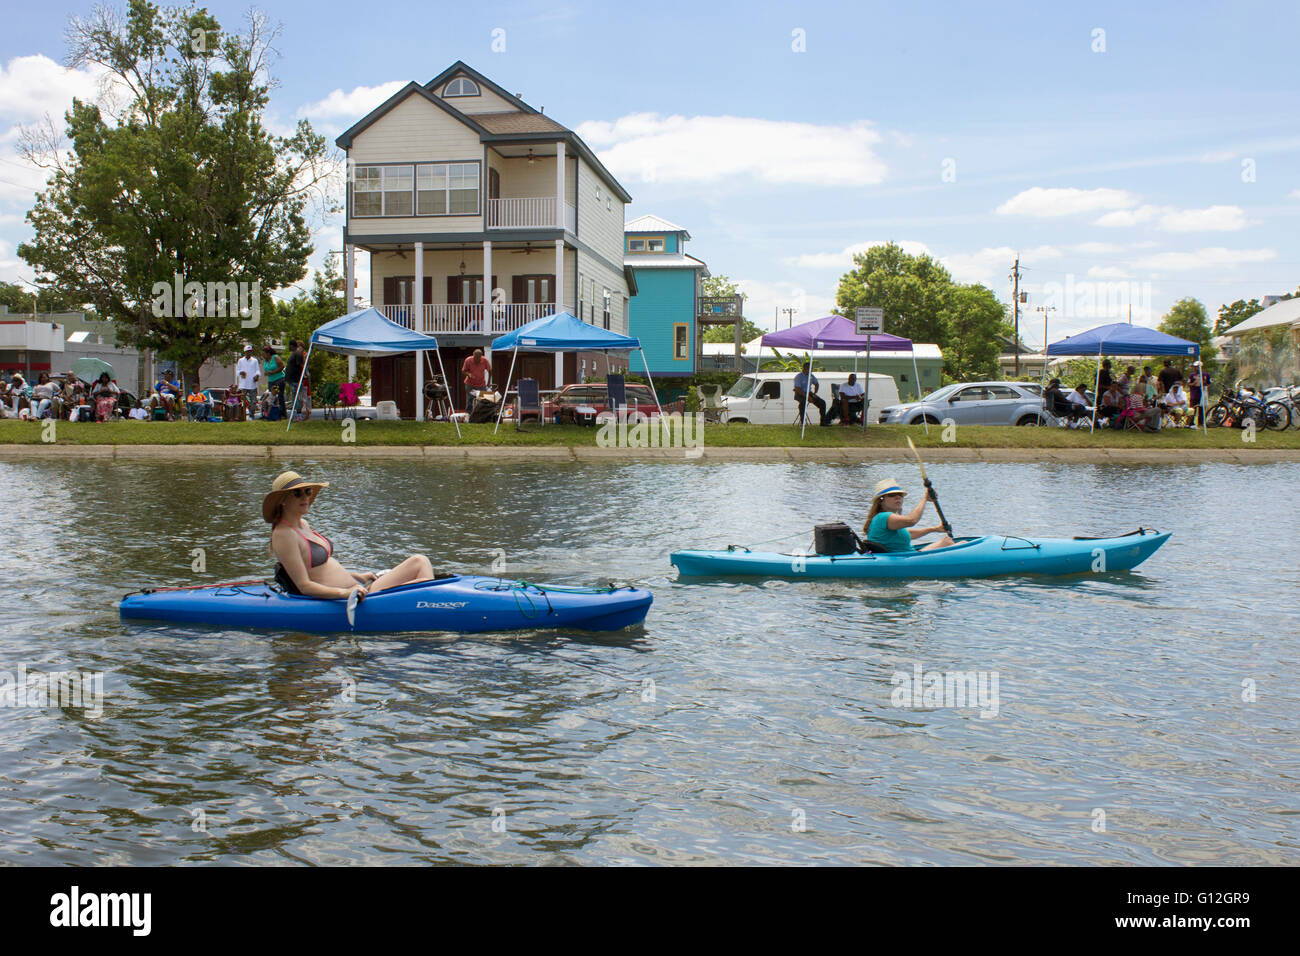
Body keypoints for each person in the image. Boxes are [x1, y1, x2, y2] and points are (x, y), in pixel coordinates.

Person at [263, 471, 435, 599]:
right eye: (297, 493)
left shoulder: (303, 525)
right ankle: (433, 605)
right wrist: (345, 593)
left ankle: (431, 603)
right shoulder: (284, 535)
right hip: (358, 598)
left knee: (420, 561)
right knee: (424, 581)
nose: (305, 497)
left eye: (308, 491)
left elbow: (320, 569)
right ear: (282, 500)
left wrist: (356, 576)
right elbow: (304, 585)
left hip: (360, 588)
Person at [863, 479, 955, 553]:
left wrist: (934, 529)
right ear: (881, 500)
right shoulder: (884, 517)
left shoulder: (882, 519)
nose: (898, 497)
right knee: (955, 542)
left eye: (900, 494)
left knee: (948, 541)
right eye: (892, 495)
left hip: (908, 556)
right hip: (906, 558)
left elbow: (907, 534)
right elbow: (912, 520)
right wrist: (925, 498)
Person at [235, 344, 261, 413]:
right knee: (242, 400)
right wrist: (241, 372)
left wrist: (257, 375)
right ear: (245, 352)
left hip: (252, 384)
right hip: (243, 384)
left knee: (253, 401)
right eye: (247, 351)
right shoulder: (240, 360)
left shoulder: (255, 360)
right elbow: (237, 371)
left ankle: (252, 414)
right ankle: (241, 414)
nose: (249, 353)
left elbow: (258, 370)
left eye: (250, 351)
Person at [262, 344, 287, 415]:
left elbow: (282, 366)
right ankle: (271, 413)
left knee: (279, 396)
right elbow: (267, 370)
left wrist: (272, 372)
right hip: (271, 381)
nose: (263, 356)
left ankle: (282, 413)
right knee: (271, 397)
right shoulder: (266, 361)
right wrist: (266, 373)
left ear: (268, 353)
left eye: (264, 354)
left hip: (279, 379)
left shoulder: (275, 357)